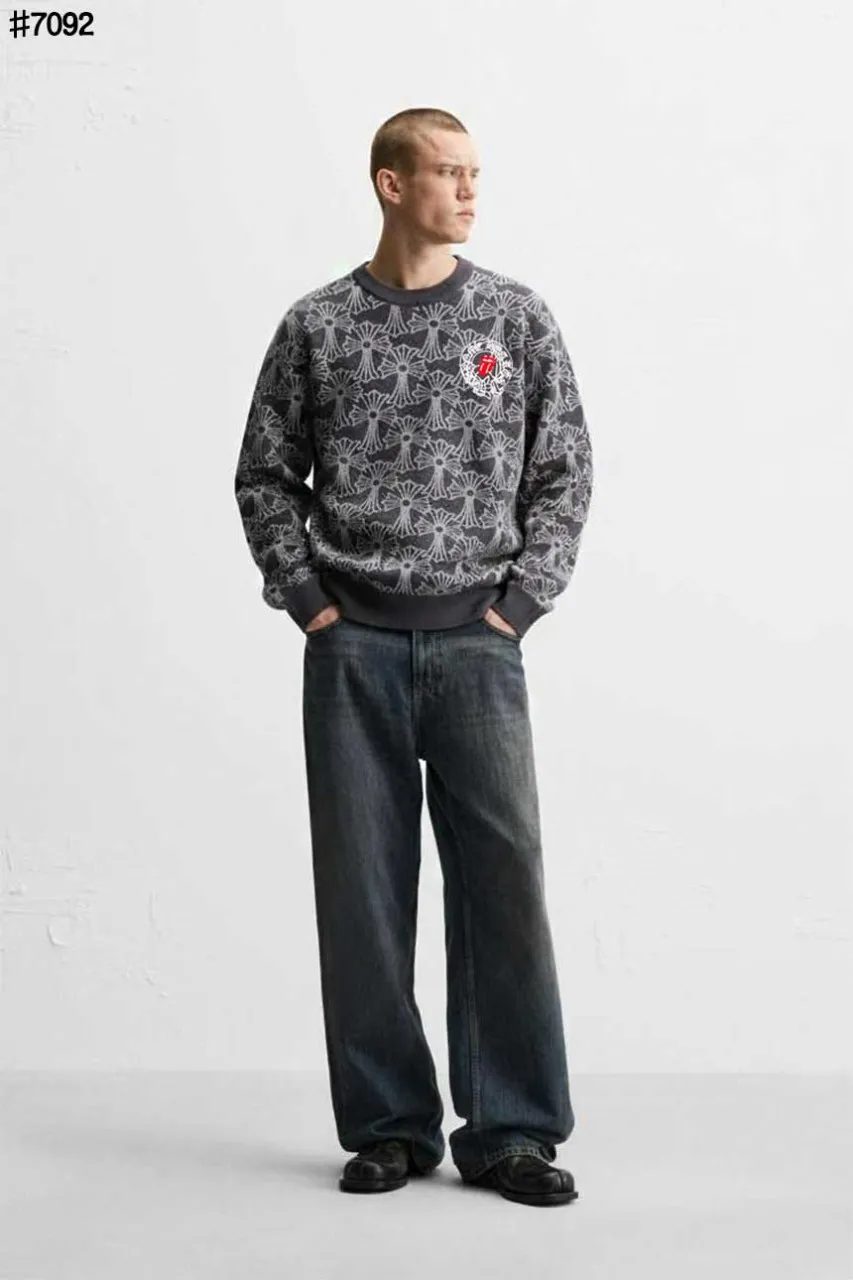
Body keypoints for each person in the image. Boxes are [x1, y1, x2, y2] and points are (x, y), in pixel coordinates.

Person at [234, 107, 594, 1208]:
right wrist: (308, 602)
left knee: (502, 887)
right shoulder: (317, 324)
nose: (469, 190)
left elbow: (563, 469)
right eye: (447, 171)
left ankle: (511, 1130)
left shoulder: (513, 317)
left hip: (478, 648)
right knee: (362, 894)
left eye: (475, 172)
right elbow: (264, 474)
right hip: (351, 652)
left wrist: (518, 606)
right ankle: (388, 1126)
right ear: (391, 184)